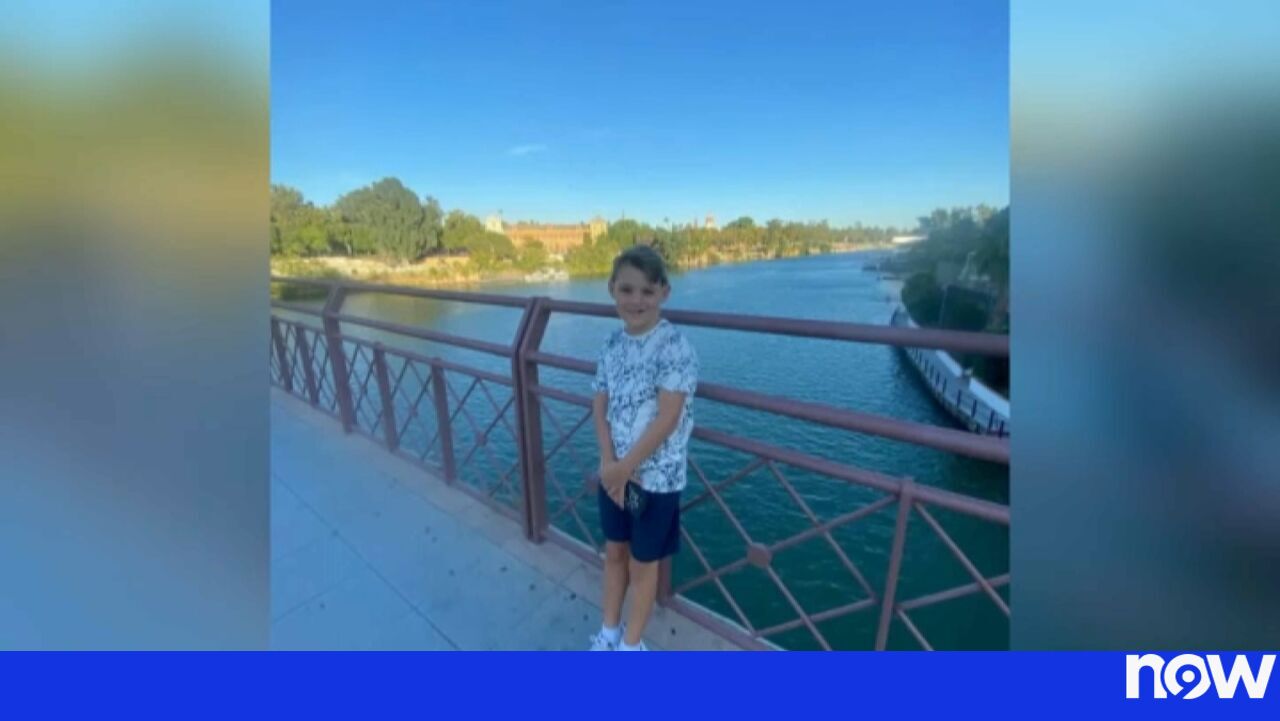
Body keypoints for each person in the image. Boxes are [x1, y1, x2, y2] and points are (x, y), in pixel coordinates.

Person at [588, 245, 698, 651]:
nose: (636, 301)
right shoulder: (610, 344)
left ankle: (631, 647)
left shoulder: (675, 346)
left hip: (656, 480)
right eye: (627, 290)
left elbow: (667, 418)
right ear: (612, 290)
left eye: (647, 291)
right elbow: (599, 402)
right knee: (614, 552)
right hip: (614, 474)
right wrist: (608, 462)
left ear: (664, 293)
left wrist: (625, 467)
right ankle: (608, 634)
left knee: (643, 564)